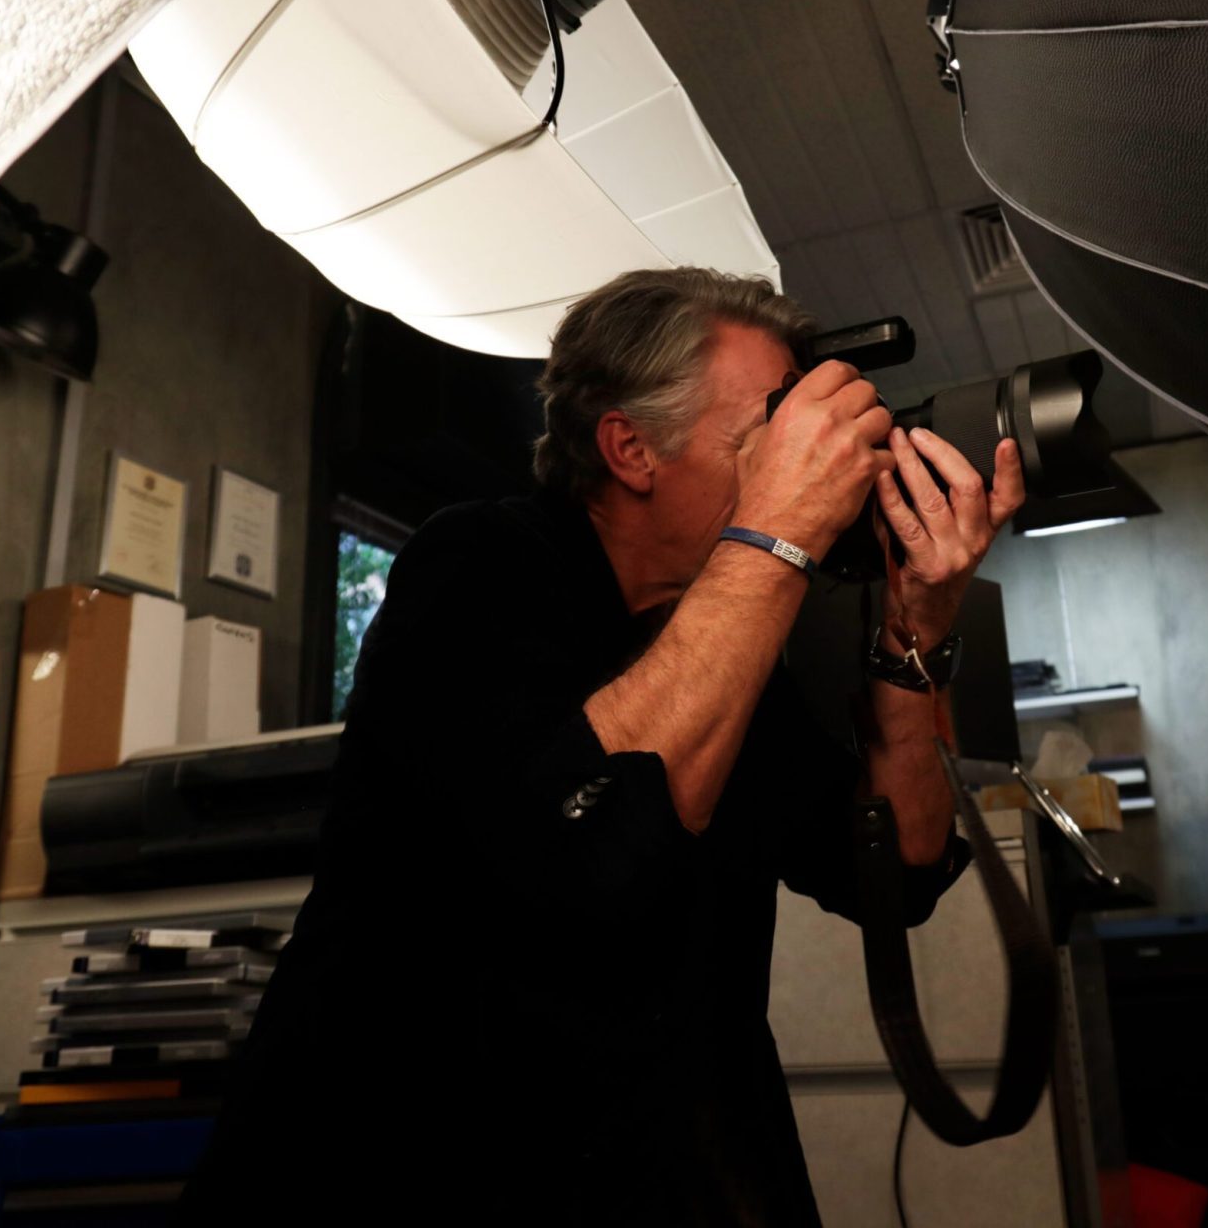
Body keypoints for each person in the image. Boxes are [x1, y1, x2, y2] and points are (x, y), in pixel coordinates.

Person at [179, 268, 1025, 1224]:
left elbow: (899, 874)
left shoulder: (734, 653)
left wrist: (918, 626)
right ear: (630, 447)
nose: (811, 465)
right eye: (773, 435)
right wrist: (780, 529)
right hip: (411, 1163)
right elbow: (585, 850)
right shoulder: (474, 570)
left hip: (668, 1160)